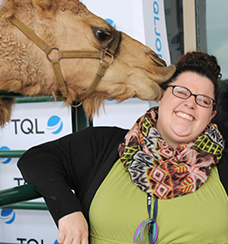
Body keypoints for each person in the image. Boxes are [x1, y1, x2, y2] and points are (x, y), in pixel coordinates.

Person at [17, 51, 228, 244]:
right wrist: (67, 210)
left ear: (211, 116)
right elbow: (36, 159)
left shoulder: (223, 165)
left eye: (203, 100)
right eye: (181, 92)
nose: (191, 103)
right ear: (161, 95)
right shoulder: (106, 144)